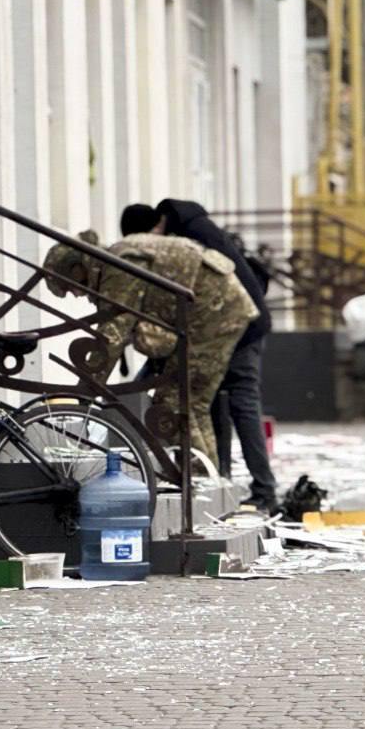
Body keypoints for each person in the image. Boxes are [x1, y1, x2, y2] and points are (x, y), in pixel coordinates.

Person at [42, 230, 258, 460]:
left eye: (71, 287)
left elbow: (112, 333)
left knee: (172, 404)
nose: (77, 295)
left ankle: (197, 480)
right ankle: (209, 481)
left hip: (213, 314)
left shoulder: (119, 266)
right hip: (218, 310)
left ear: (78, 269)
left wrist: (84, 391)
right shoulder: (118, 258)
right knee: (192, 403)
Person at [122, 200, 278, 511]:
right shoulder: (192, 227)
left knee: (236, 403)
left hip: (237, 328)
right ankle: (226, 481)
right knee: (211, 399)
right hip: (239, 323)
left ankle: (260, 490)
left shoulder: (187, 237)